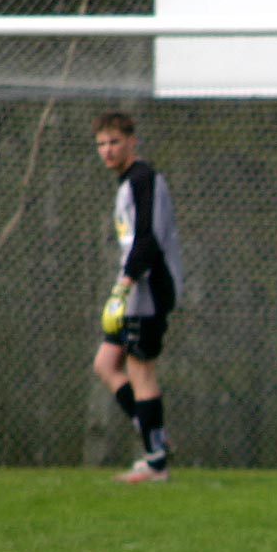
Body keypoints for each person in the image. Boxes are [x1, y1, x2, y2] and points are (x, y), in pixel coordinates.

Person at [92, 111, 183, 484]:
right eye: (101, 144)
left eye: (114, 142)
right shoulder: (128, 182)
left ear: (131, 141)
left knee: (139, 369)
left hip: (147, 287)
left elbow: (147, 239)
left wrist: (125, 282)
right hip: (133, 287)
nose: (107, 151)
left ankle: (155, 463)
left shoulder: (144, 179)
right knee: (105, 363)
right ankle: (154, 435)